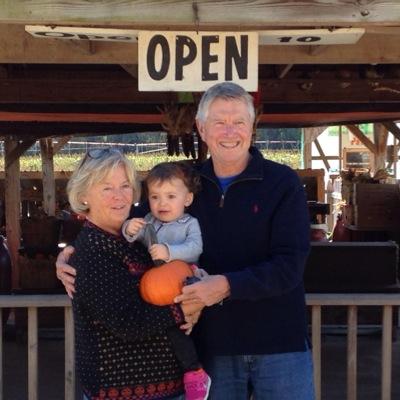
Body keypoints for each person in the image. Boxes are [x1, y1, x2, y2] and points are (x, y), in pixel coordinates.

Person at [57, 82, 315, 399]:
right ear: (201, 128)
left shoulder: (282, 183)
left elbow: (290, 266)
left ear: (252, 127)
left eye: (238, 122)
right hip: (213, 346)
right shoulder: (180, 185)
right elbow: (119, 216)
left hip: (279, 343)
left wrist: (226, 285)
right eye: (219, 122)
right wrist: (70, 254)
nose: (229, 131)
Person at [63, 147, 204, 400]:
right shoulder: (93, 251)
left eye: (125, 186)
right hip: (119, 392)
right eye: (107, 188)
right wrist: (186, 309)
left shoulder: (132, 239)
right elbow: (128, 323)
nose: (119, 196)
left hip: (165, 388)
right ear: (84, 196)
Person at [122, 161, 211, 400]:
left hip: (183, 280)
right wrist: (129, 228)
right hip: (155, 287)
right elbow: (130, 237)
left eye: (171, 196)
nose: (162, 203)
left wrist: (168, 252)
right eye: (155, 196)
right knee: (160, 326)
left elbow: (195, 248)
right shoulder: (148, 222)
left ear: (187, 199)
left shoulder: (189, 223)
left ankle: (194, 372)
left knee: (179, 327)